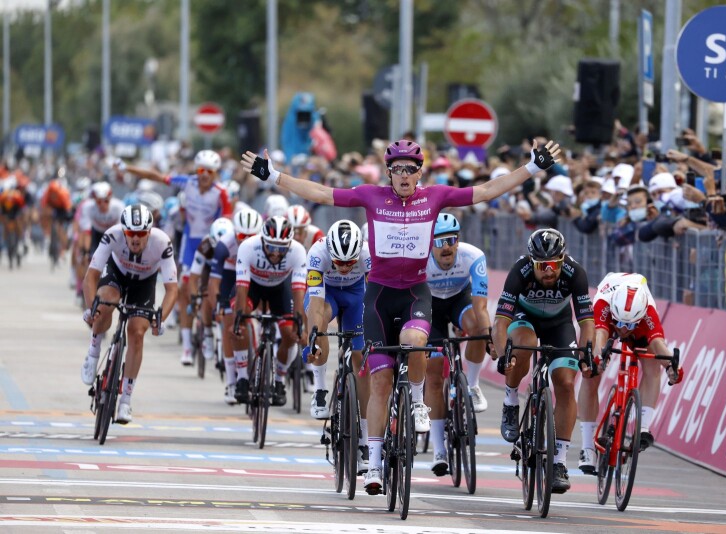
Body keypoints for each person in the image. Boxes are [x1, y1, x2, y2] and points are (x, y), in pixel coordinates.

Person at [241, 136, 561, 495]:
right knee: (379, 382)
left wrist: (532, 167)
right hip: (378, 295)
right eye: (398, 170)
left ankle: (420, 402)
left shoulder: (435, 196)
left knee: (415, 341)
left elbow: (486, 190)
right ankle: (374, 464)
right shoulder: (371, 195)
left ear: (420, 173)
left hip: (414, 293)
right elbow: (320, 193)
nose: (404, 176)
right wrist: (273, 176)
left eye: (411, 169)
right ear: (388, 173)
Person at [491, 228, 594, 494]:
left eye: (554, 265)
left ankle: (558, 462)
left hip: (559, 324)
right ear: (532, 262)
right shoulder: (520, 272)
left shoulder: (575, 273)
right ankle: (511, 401)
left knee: (566, 383)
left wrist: (587, 353)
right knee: (520, 350)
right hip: (525, 318)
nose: (549, 271)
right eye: (543, 266)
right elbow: (500, 322)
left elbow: (586, 321)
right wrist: (504, 356)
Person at [121, 150, 232, 366]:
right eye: (201, 170)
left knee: (211, 288)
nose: (205, 175)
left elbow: (228, 221)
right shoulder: (187, 183)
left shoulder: (222, 192)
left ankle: (208, 332)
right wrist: (127, 168)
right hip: (190, 243)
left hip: (212, 243)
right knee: (184, 289)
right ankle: (188, 347)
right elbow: (156, 175)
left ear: (216, 173)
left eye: (210, 171)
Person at [80, 204, 178, 423]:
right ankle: (94, 351)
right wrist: (90, 309)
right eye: (131, 233)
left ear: (149, 232)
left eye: (141, 234)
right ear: (124, 231)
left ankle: (125, 400)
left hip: (144, 284)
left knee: (137, 333)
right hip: (117, 274)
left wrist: (161, 317)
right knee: (106, 302)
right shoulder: (111, 235)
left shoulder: (162, 243)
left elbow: (172, 289)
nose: (136, 239)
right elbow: (91, 276)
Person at [579, 272, 683, 474]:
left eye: (629, 326)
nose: (624, 331)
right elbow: (600, 335)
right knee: (590, 374)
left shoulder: (648, 312)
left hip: (638, 312)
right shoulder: (604, 305)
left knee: (653, 364)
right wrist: (598, 359)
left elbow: (659, 344)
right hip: (608, 301)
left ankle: (643, 427)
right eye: (621, 324)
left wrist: (673, 367)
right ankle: (587, 448)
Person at [424, 212, 492, 476]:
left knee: (476, 327)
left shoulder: (473, 256)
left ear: (458, 240)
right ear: (430, 244)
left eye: (451, 240)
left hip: (458, 300)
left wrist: (486, 336)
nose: (446, 247)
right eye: (440, 242)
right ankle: (439, 448)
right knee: (434, 369)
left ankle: (472, 385)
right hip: (429, 305)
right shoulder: (421, 260)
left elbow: (481, 305)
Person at [304, 219, 371, 472]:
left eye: (349, 263)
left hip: (356, 295)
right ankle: (320, 390)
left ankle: (365, 438)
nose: (344, 267)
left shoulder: (367, 253)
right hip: (326, 293)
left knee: (361, 359)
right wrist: (313, 337)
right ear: (330, 251)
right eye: (339, 262)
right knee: (319, 325)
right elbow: (316, 304)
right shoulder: (317, 253)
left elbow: (376, 294)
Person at [233, 215, 307, 406]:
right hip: (253, 287)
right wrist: (239, 318)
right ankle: (241, 378)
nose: (275, 253)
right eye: (271, 247)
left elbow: (299, 291)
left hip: (280, 289)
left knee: (290, 335)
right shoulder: (248, 247)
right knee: (238, 323)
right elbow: (242, 285)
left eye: (281, 249)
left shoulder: (297, 251)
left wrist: (299, 321)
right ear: (263, 240)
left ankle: (279, 380)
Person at [208, 208, 263, 404]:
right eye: (242, 236)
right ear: (234, 232)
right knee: (230, 324)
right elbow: (214, 282)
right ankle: (232, 382)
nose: (246, 240)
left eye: (251, 236)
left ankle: (261, 352)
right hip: (231, 275)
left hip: (255, 275)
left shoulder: (265, 243)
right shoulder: (224, 245)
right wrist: (219, 307)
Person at [187, 217, 235, 362]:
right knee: (208, 295)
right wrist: (195, 297)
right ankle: (207, 332)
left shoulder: (234, 244)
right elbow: (194, 277)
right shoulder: (205, 246)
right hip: (209, 270)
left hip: (228, 270)